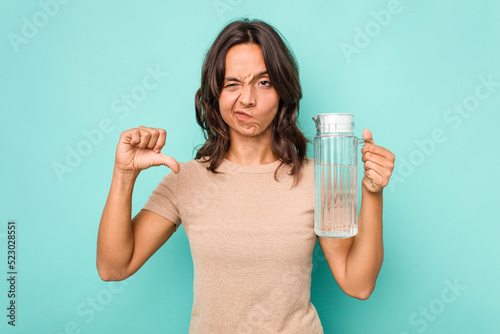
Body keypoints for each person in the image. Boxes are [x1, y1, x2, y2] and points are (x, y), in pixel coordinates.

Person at [96, 18, 395, 333]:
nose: (247, 99)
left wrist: (373, 193)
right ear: (216, 93)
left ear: (283, 91)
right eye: (232, 83)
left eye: (263, 82)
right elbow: (113, 267)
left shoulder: (319, 179)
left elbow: (358, 283)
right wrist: (124, 174)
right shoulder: (185, 179)